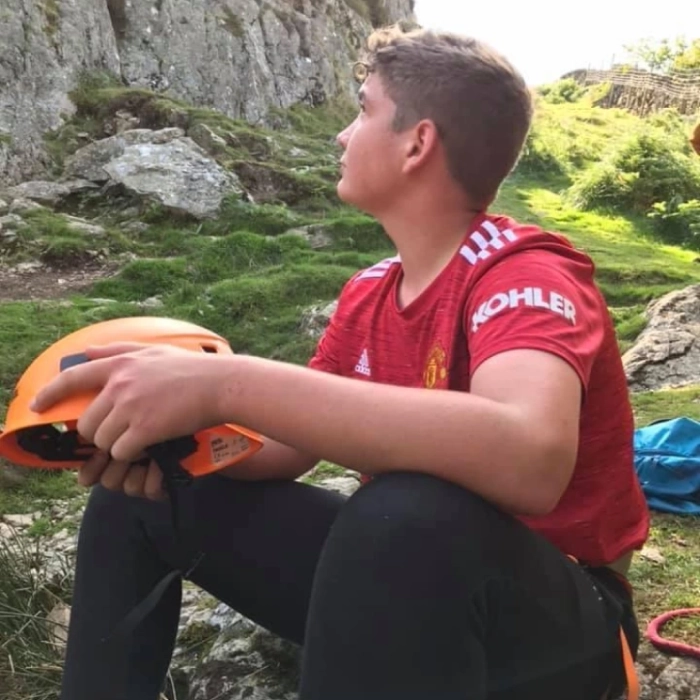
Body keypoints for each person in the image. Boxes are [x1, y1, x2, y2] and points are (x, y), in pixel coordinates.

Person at [32, 25, 649, 700]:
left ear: (418, 143)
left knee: (402, 509)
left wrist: (228, 382)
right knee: (148, 504)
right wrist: (176, 437)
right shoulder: (370, 291)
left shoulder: (523, 273)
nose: (340, 135)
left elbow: (530, 457)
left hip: (560, 627)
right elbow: (286, 447)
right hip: (410, 594)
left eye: (362, 109)